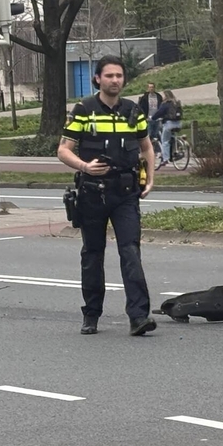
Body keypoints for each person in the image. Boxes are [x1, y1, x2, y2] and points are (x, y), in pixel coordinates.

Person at [57, 55, 157, 336]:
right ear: (98, 79)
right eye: (109, 76)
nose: (115, 80)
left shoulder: (132, 111)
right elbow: (64, 149)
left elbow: (146, 147)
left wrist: (150, 179)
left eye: (119, 76)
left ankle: (139, 317)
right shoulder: (84, 110)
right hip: (92, 193)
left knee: (131, 252)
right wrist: (84, 166)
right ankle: (91, 315)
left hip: (125, 193)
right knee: (92, 254)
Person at [151, 89, 183, 168]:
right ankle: (175, 152)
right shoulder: (177, 103)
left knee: (164, 141)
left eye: (163, 95)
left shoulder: (165, 104)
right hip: (178, 124)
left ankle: (165, 159)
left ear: (166, 96)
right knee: (171, 138)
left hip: (169, 124)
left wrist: (152, 118)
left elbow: (159, 113)